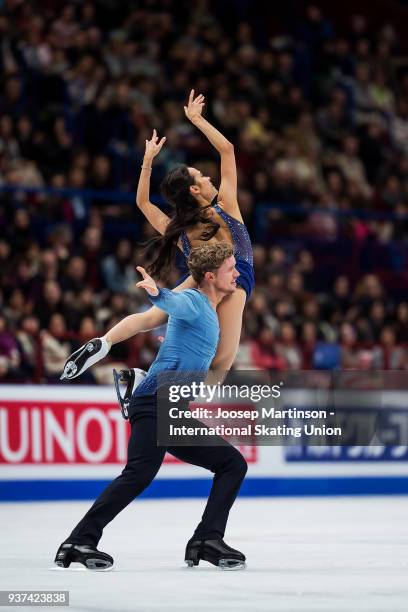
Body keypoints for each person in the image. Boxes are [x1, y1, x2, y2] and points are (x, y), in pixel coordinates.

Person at [55, 243, 248, 571]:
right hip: (159, 405)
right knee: (146, 474)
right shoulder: (195, 301)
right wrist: (157, 292)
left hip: (167, 407)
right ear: (211, 276)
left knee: (222, 466)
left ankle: (205, 539)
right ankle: (81, 541)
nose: (238, 274)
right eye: (232, 269)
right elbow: (174, 301)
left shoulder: (206, 311)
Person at [60, 90, 254, 381]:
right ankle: (164, 396)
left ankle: (105, 343)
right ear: (194, 189)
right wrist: (197, 120)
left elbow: (142, 203)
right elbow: (227, 149)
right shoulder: (226, 208)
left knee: (152, 317)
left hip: (202, 276)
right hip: (235, 276)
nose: (208, 177)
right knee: (220, 366)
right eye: (202, 176)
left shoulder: (180, 230)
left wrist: (147, 161)